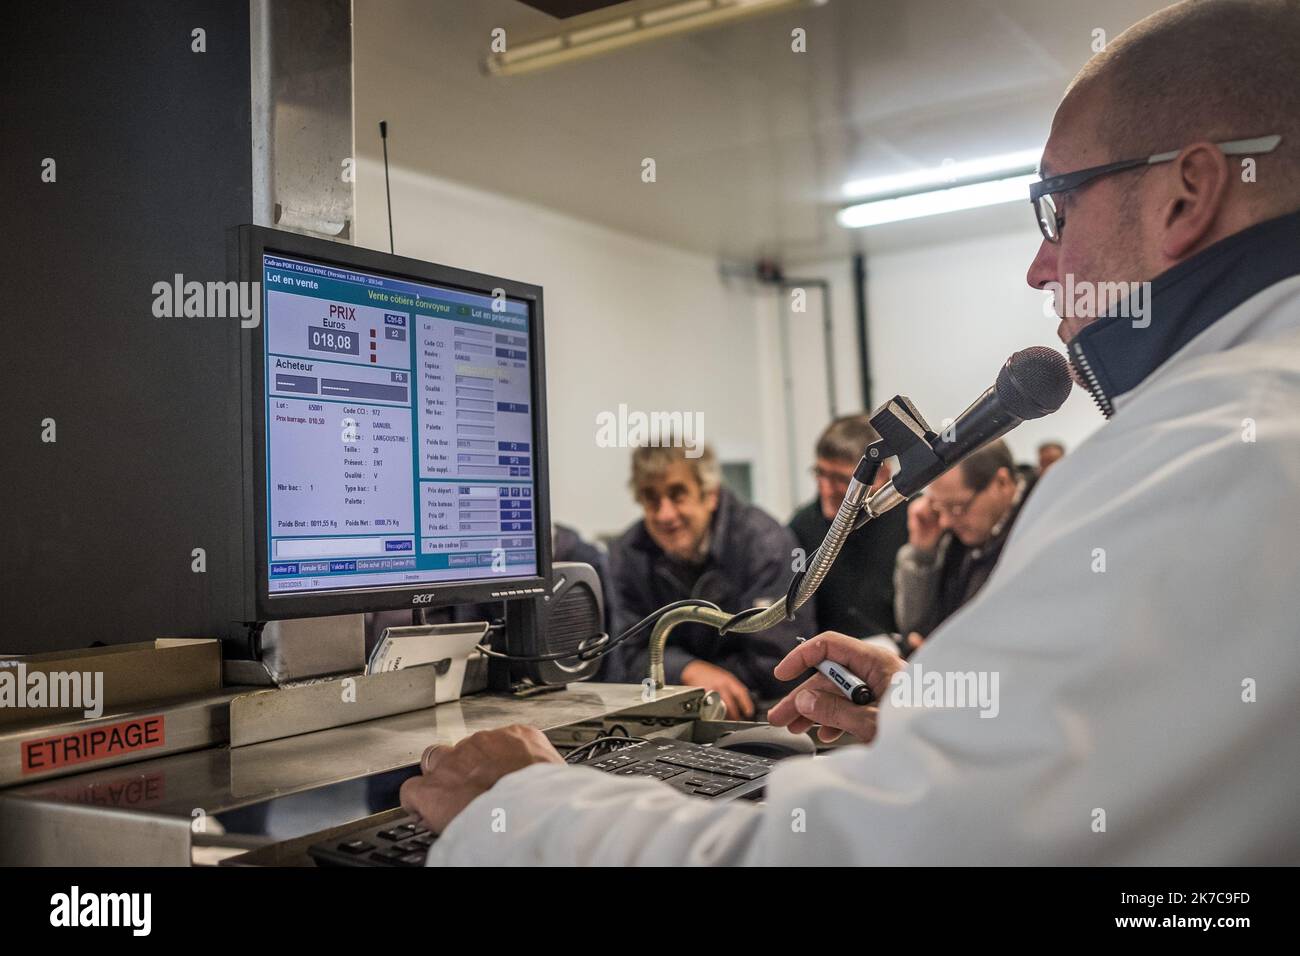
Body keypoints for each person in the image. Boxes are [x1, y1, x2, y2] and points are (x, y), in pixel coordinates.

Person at [401, 0, 1300, 864]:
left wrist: (518, 807)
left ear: (1189, 195)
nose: (1040, 266)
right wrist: (936, 727)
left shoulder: (1212, 449)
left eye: (1057, 209)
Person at [597, 442, 813, 719]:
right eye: (651, 498)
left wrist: (702, 681)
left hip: (763, 713)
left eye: (677, 495)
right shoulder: (627, 554)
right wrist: (689, 670)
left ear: (710, 495)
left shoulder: (765, 544)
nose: (665, 514)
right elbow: (626, 656)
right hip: (673, 714)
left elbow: (781, 661)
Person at [893, 440, 1031, 651]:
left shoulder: (1040, 526)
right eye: (940, 507)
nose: (946, 521)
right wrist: (922, 554)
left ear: (1002, 482)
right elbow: (913, 628)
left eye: (957, 507)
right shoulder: (952, 532)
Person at [789, 415, 908, 639]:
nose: (826, 490)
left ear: (882, 474)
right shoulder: (801, 527)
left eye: (840, 479)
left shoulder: (915, 519)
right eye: (820, 474)